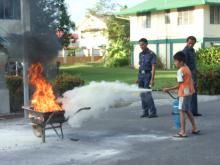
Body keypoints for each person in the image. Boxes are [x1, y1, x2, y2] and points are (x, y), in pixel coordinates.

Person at [163, 51, 200, 137]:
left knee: (182, 111)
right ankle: (194, 128)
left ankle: (182, 132)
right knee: (187, 110)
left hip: (183, 94)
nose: (175, 63)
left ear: (181, 61)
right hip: (190, 92)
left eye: (176, 61)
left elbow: (179, 85)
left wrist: (168, 89)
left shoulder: (180, 71)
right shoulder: (187, 68)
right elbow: (184, 83)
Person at [137, 38, 157, 118]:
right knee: (142, 94)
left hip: (147, 75)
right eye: (140, 45)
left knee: (147, 94)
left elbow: (153, 67)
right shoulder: (140, 54)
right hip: (140, 76)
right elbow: (140, 67)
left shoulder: (151, 54)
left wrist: (152, 79)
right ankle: (145, 112)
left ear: (146, 44)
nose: (141, 46)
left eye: (142, 44)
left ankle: (153, 112)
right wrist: (138, 78)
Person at [182, 36, 202, 117]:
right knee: (187, 93)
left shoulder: (193, 50)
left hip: (193, 74)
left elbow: (193, 64)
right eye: (189, 43)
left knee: (194, 92)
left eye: (193, 43)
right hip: (188, 75)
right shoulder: (185, 51)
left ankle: (194, 111)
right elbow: (184, 65)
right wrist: (188, 76)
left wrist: (197, 73)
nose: (191, 45)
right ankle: (186, 110)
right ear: (187, 42)